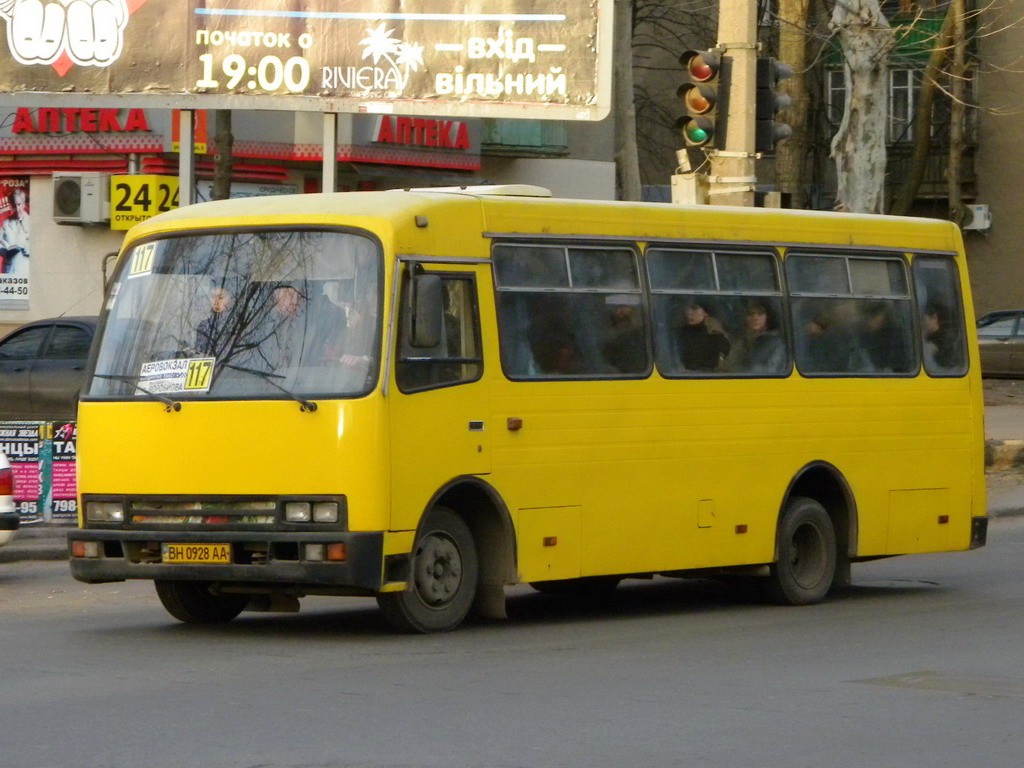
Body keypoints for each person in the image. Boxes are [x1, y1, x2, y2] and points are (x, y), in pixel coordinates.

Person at [729, 299, 786, 373]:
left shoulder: (777, 344)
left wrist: (741, 369)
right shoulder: (740, 342)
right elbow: (729, 364)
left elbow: (772, 371)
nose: (755, 317)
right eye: (750, 314)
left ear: (768, 317)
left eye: (760, 313)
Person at [677, 298, 730, 372]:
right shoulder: (681, 332)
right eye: (688, 308)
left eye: (694, 308)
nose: (689, 312)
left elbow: (727, 354)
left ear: (706, 313)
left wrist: (716, 331)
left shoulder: (715, 334)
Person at [859, 301, 911, 373]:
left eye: (874, 316)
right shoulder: (863, 335)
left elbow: (899, 364)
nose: (870, 321)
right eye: (867, 317)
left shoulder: (895, 336)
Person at [601, 294, 646, 373]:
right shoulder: (610, 337)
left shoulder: (642, 336)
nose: (618, 312)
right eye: (616, 308)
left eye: (622, 307)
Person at [922, 301, 962, 371]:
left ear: (934, 318)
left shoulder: (940, 340)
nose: (922, 323)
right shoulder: (935, 336)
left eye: (924, 319)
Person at [195, 286, 233, 356]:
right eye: (212, 297)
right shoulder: (203, 326)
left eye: (220, 297)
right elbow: (199, 353)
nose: (216, 302)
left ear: (229, 299)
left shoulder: (234, 324)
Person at [0, 187, 29, 275]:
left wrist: (28, 249)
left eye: (19, 204)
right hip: (8, 269)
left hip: (24, 269)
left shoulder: (31, 222)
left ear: (24, 204)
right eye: (14, 205)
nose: (17, 208)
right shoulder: (6, 223)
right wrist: (4, 251)